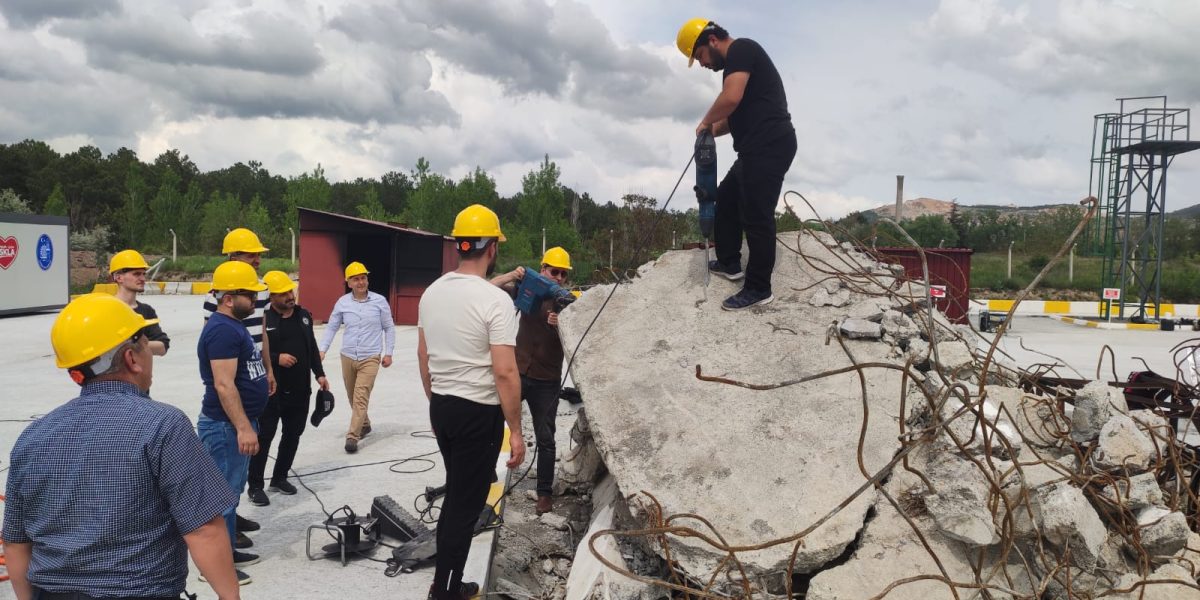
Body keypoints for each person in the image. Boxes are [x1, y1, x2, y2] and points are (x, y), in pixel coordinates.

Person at [3, 294, 241, 600]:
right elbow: (204, 529)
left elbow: (16, 543)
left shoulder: (33, 436)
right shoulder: (163, 425)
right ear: (131, 358)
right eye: (145, 343)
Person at [418, 204, 526, 600]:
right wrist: (515, 430)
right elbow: (505, 373)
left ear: (459, 245)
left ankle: (445, 582)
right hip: (477, 414)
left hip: (444, 406)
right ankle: (445, 592)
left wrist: (435, 403)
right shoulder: (495, 302)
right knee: (466, 507)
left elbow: (423, 356)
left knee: (459, 496)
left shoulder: (432, 292)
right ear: (492, 248)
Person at [677, 18, 798, 311]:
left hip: (770, 146)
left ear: (711, 41)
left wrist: (705, 120)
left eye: (700, 57)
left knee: (757, 216)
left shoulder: (742, 49)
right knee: (727, 198)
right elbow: (733, 117)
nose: (703, 64)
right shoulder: (736, 67)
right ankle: (731, 261)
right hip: (753, 151)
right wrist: (710, 131)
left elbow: (730, 98)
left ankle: (759, 287)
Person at [197, 261, 271, 585]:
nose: (254, 300)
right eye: (248, 295)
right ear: (229, 297)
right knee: (220, 499)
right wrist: (243, 427)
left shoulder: (235, 326)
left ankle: (227, 550)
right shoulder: (222, 331)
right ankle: (214, 568)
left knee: (231, 495)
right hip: (225, 429)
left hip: (236, 425)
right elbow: (224, 385)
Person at [490, 247, 572, 515]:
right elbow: (487, 287)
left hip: (547, 381)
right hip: (518, 372)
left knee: (546, 439)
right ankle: (486, 472)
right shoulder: (528, 291)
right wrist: (514, 275)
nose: (558, 277)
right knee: (492, 421)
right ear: (542, 269)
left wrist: (563, 324)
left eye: (563, 273)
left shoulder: (571, 304)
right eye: (553, 271)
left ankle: (544, 494)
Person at [247, 271, 329, 506]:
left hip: (300, 390)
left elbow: (311, 347)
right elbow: (252, 351)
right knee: (265, 437)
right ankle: (255, 485)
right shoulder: (262, 319)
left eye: (290, 291)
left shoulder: (303, 316)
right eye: (283, 293)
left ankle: (280, 477)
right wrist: (276, 357)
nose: (289, 296)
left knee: (293, 435)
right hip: (272, 391)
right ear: (271, 297)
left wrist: (320, 374)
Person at [318, 261, 395, 454]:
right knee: (352, 396)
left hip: (371, 356)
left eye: (363, 278)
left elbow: (389, 328)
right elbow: (332, 327)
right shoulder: (342, 303)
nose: (360, 282)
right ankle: (365, 424)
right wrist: (322, 349)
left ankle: (352, 436)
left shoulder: (379, 301)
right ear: (348, 282)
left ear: (367, 280)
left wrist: (389, 353)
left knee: (361, 396)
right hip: (348, 356)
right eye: (356, 279)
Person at [109, 248, 171, 355]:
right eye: (136, 274)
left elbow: (163, 346)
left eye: (143, 274)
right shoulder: (106, 309)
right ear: (118, 277)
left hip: (141, 371)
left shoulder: (146, 310)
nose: (142, 278)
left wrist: (129, 345)